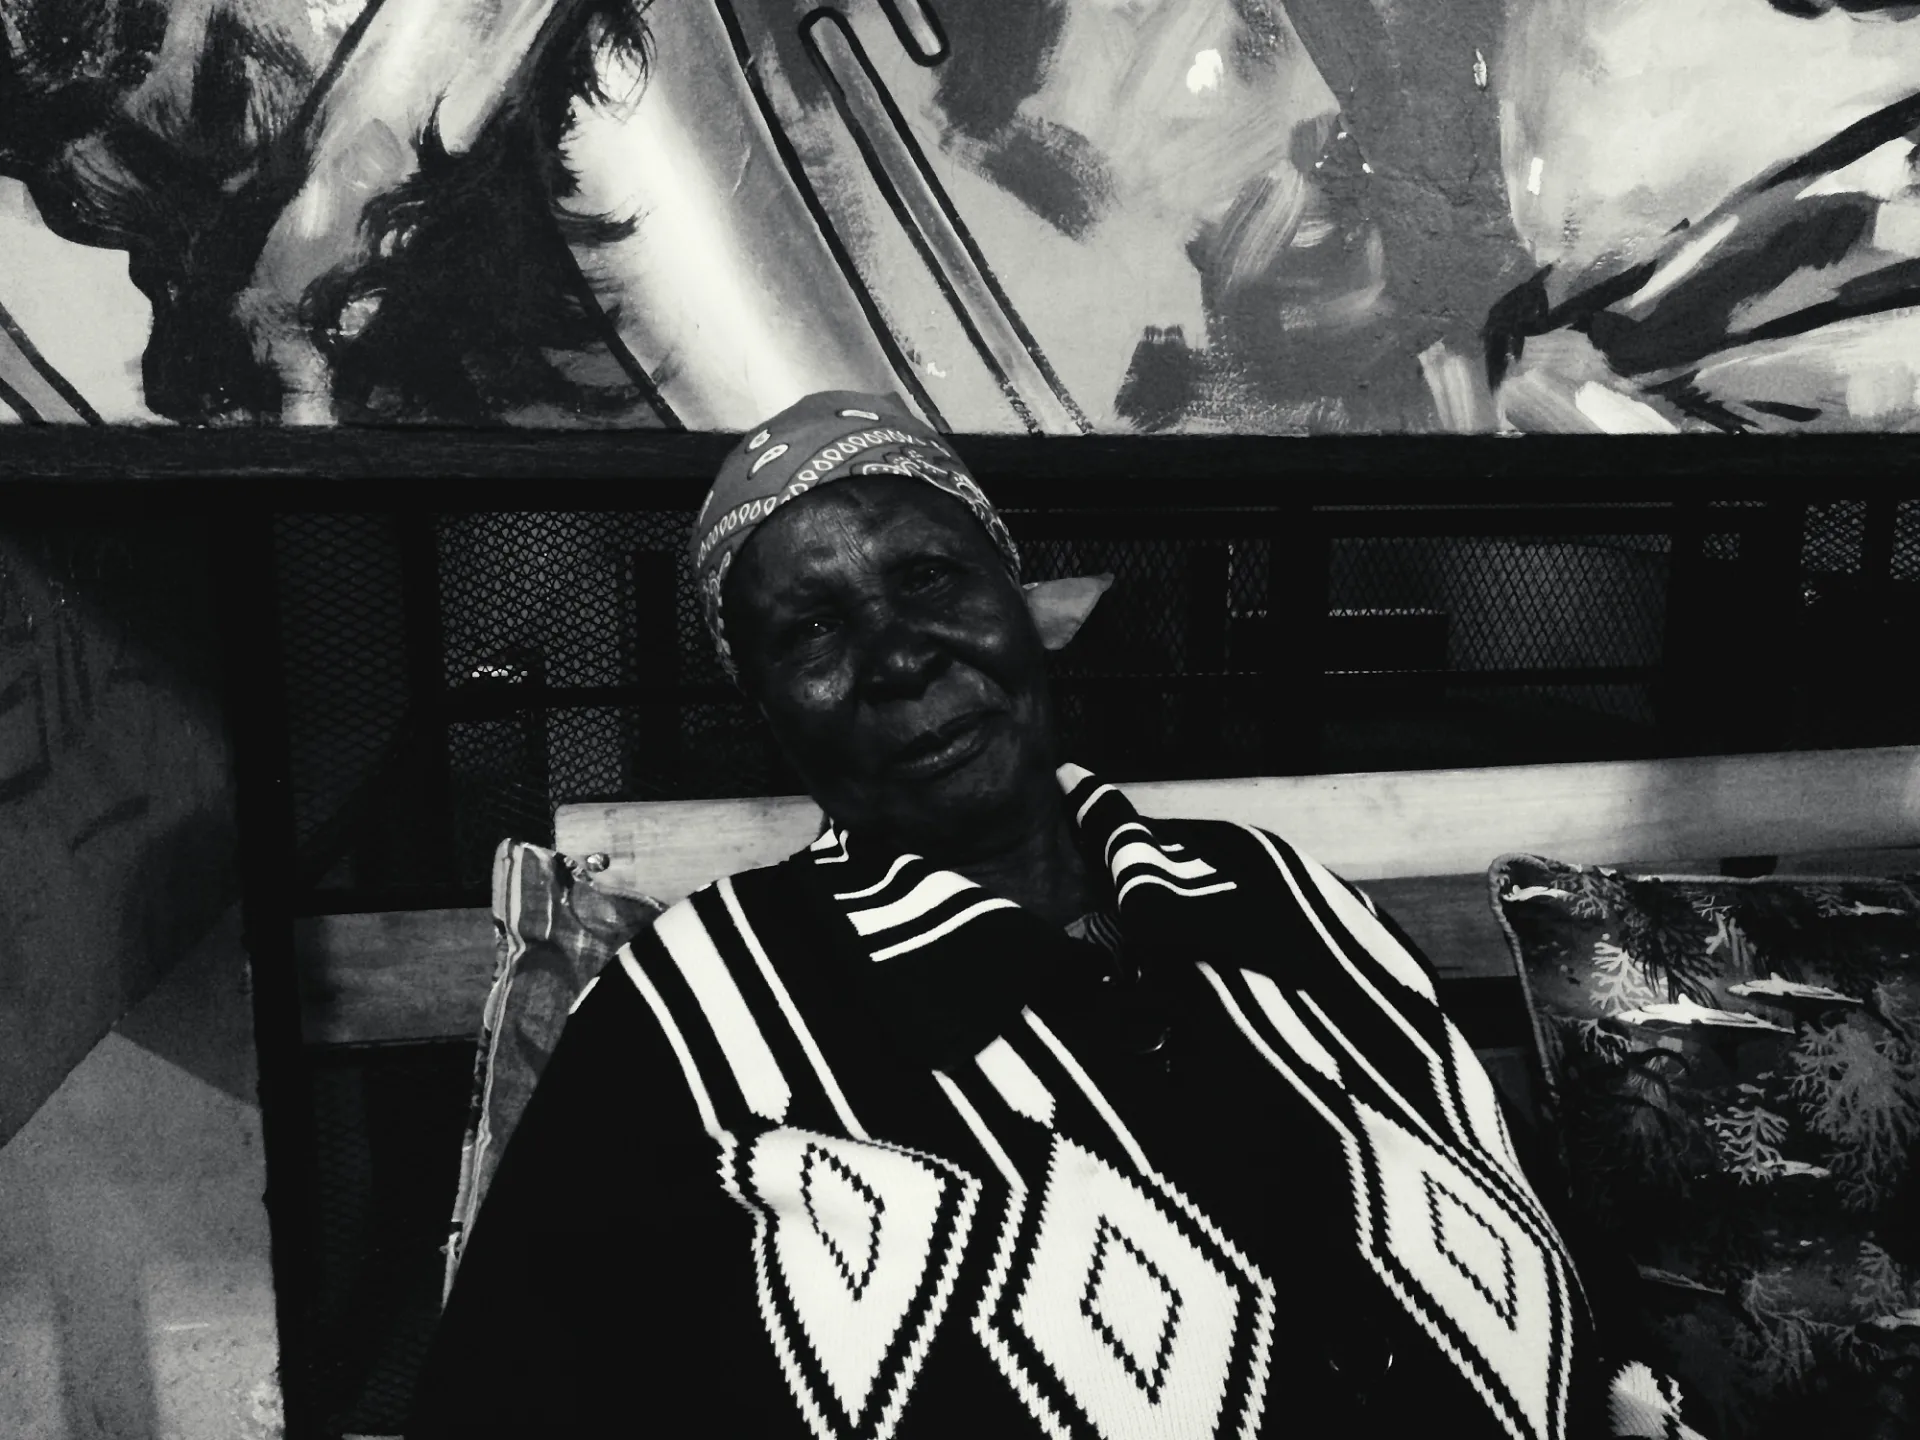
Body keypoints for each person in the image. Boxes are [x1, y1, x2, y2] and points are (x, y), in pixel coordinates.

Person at [408, 391, 1701, 1439]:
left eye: (930, 578)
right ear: (765, 707)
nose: (898, 654)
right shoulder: (692, 1011)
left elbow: (1512, 1201)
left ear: (1022, 604)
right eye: (811, 631)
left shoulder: (1276, 894)